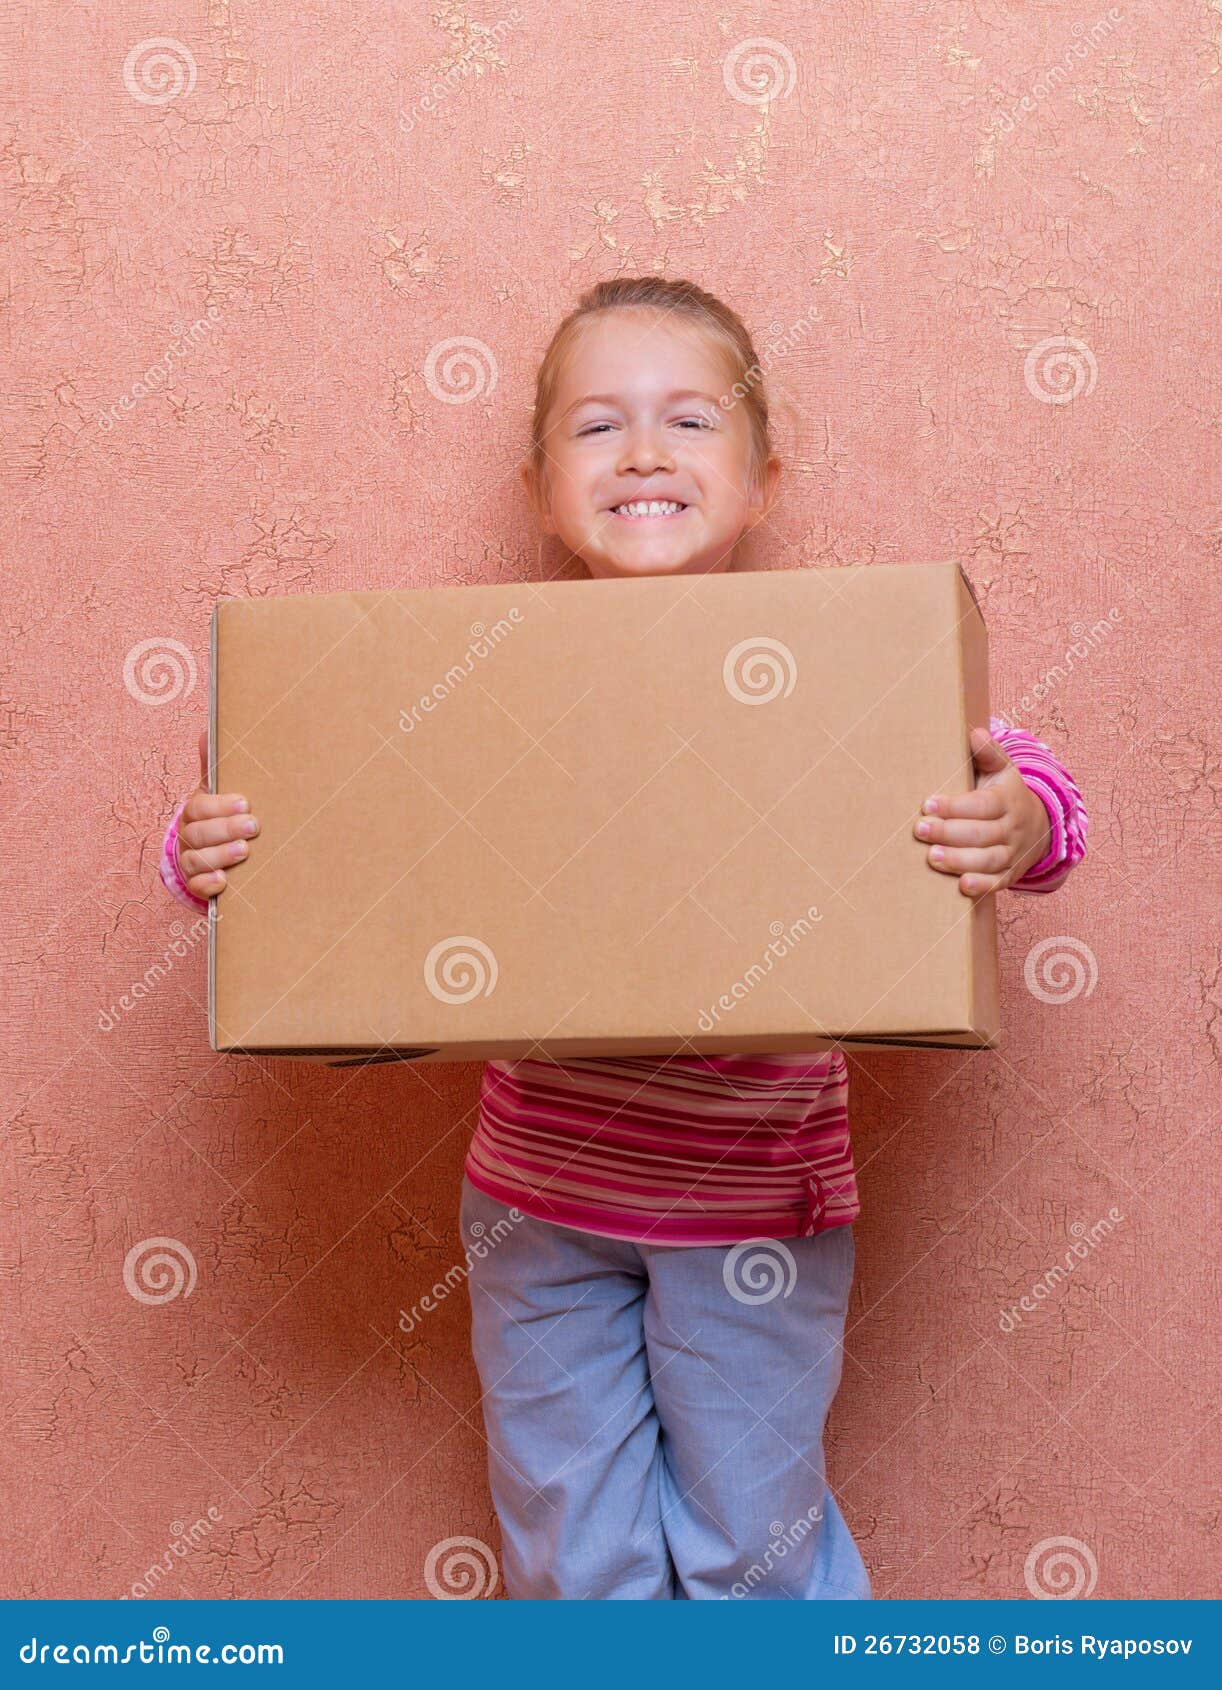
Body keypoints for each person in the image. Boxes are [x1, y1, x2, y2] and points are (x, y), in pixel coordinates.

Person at [159, 276, 1088, 1599]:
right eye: (597, 428)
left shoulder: (836, 659)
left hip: (751, 1199)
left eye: (688, 421)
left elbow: (1019, 774)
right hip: (536, 1202)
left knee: (749, 1534)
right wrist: (207, 855)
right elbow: (323, 817)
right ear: (539, 485)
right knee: (566, 1536)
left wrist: (1018, 819)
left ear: (765, 476)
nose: (643, 453)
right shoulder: (478, 674)